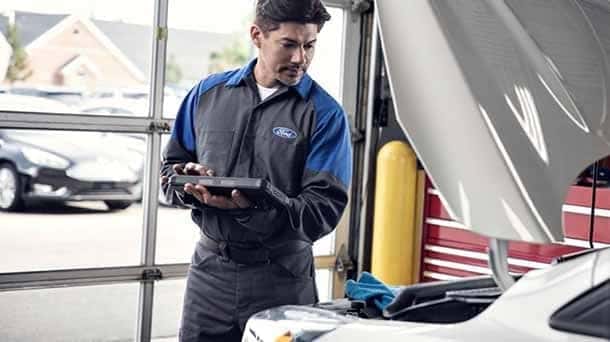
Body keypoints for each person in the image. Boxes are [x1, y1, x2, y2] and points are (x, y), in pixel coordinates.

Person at [159, 0, 353, 341]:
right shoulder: (207, 94)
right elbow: (168, 172)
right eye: (289, 44)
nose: (300, 58)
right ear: (257, 35)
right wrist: (186, 181)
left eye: (310, 45)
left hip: (281, 278)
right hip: (209, 274)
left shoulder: (324, 114)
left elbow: (322, 211)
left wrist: (256, 207)